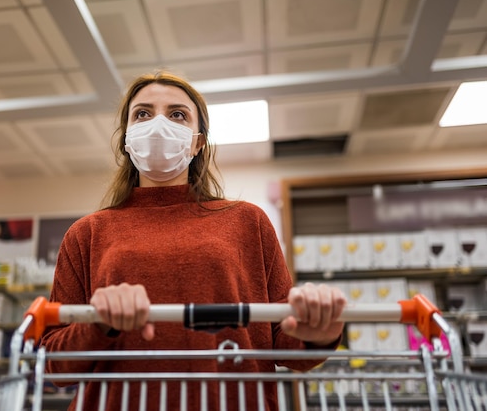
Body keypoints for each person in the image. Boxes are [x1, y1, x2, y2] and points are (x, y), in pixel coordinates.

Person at [39, 70, 346, 410]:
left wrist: (321, 333)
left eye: (177, 114)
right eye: (142, 113)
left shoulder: (247, 221)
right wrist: (98, 324)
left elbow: (287, 344)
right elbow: (55, 365)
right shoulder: (87, 233)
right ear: (127, 138)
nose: (158, 124)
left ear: (198, 142)